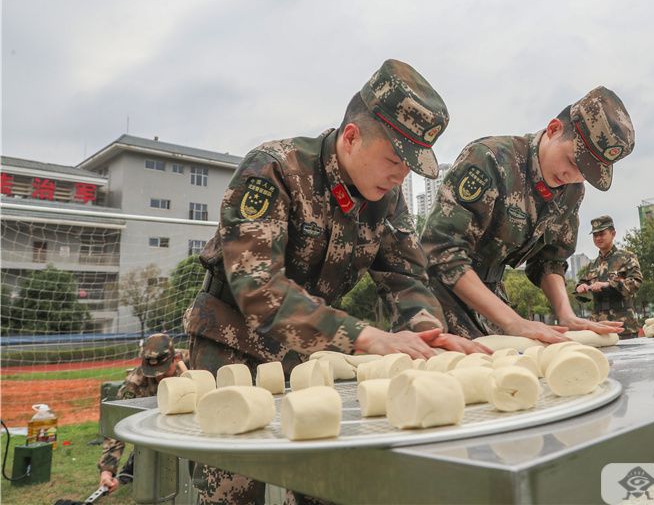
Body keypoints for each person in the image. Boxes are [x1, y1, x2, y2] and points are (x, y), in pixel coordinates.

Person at [183, 59, 486, 504]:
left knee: (323, 479)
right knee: (232, 484)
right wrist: (366, 336)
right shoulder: (275, 170)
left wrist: (427, 335)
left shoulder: (385, 198)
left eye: (409, 167)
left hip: (312, 350)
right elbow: (259, 290)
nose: (401, 175)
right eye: (394, 159)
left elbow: (407, 276)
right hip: (233, 346)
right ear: (351, 137)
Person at [420, 86, 633, 342]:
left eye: (585, 173)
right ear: (554, 129)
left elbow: (550, 259)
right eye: (572, 161)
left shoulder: (571, 192)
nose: (572, 176)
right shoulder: (490, 159)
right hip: (437, 301)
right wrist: (513, 322)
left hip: (491, 300)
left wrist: (566, 314)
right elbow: (442, 251)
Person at [97, 333, 184, 493]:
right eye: (153, 371)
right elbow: (117, 422)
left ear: (175, 358)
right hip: (157, 432)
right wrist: (107, 470)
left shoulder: (192, 364)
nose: (158, 376)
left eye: (163, 371)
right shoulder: (136, 382)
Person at [575, 216, 643, 338]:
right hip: (598, 326)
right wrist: (582, 287)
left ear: (613, 233)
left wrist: (608, 285)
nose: (598, 238)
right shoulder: (593, 264)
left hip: (623, 325)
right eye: (595, 235)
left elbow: (636, 282)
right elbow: (582, 288)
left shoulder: (627, 257)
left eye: (601, 234)